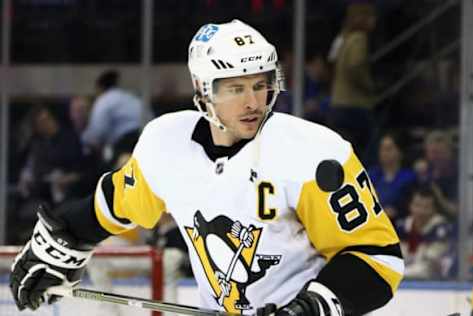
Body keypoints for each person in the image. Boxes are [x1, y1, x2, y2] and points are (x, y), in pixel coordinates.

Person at [10, 19, 403, 316]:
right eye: (235, 88)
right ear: (203, 90)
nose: (253, 101)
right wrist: (55, 247)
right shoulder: (166, 144)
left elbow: (377, 258)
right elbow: (108, 207)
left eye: (260, 83)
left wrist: (309, 309)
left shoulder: (313, 153)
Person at [328, 2, 377, 159]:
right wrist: (369, 86)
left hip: (337, 104)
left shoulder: (343, 37)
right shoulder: (359, 38)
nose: (374, 21)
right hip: (354, 104)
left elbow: (332, 60)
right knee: (370, 146)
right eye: (371, 16)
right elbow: (355, 66)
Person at [81, 69, 143, 166]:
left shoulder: (104, 100)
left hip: (126, 142)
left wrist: (84, 139)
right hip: (145, 136)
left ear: (99, 87)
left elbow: (98, 132)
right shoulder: (132, 97)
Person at [396, 186, 452, 279]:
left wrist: (399, 273)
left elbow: (429, 268)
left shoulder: (441, 229)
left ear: (434, 209)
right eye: (417, 205)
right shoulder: (401, 226)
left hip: (432, 284)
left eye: (426, 207)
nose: (420, 211)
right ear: (410, 206)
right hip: (402, 279)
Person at [368, 132, 416, 224]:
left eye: (389, 149)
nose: (384, 153)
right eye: (382, 149)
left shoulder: (409, 177)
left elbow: (407, 206)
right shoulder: (372, 174)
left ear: (400, 152)